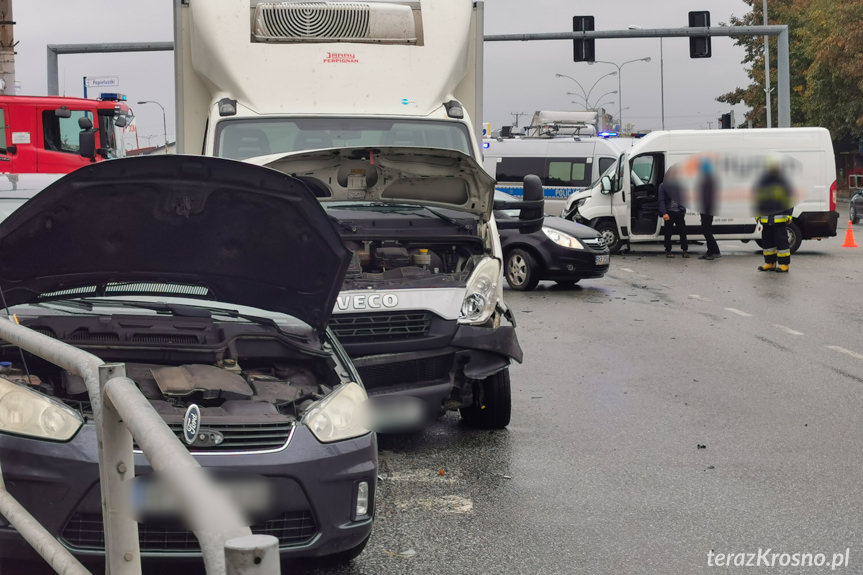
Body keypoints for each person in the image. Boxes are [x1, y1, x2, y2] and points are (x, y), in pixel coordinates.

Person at [754, 155, 794, 272]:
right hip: (766, 219)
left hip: (779, 218)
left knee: (781, 242)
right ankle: (770, 263)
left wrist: (788, 214)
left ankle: (784, 265)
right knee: (767, 243)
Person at [657, 165, 688, 258]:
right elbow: (661, 201)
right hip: (669, 212)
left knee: (683, 232)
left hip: (679, 212)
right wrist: (664, 213)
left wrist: (683, 210)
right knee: (668, 233)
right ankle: (668, 251)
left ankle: (685, 250)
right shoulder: (663, 186)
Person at [696, 157, 721, 260]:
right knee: (706, 229)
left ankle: (715, 251)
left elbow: (708, 196)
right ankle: (710, 251)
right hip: (706, 208)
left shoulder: (709, 180)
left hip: (707, 208)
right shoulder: (708, 179)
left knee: (706, 230)